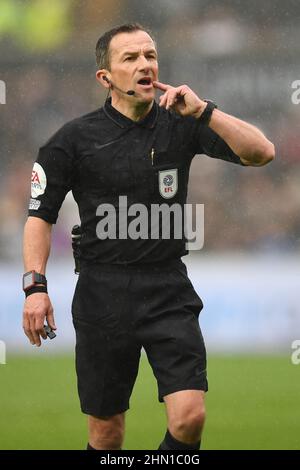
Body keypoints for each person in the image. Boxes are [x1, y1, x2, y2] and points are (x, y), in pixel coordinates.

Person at [22, 23, 275, 451]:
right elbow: (39, 217)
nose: (145, 64)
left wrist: (205, 111)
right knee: (107, 435)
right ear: (106, 78)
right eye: (131, 58)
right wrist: (35, 287)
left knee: (190, 417)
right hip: (102, 293)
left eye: (150, 55)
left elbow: (262, 153)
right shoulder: (72, 141)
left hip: (167, 288)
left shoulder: (183, 123)